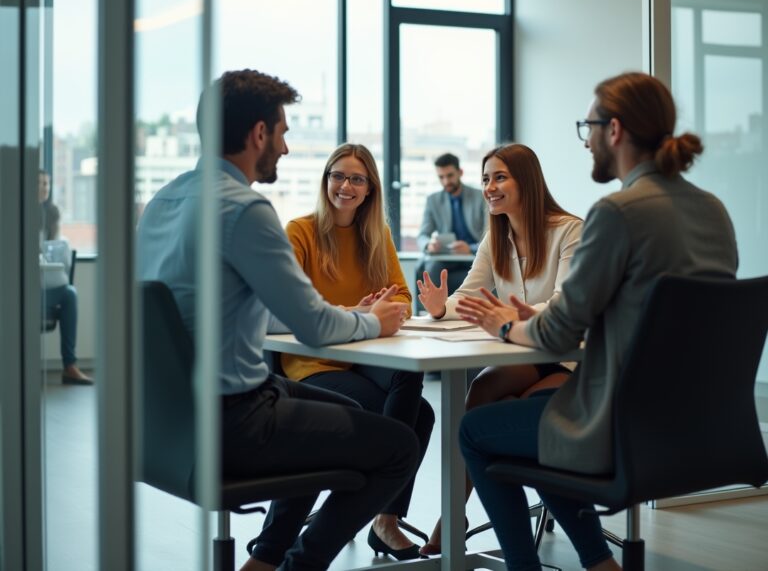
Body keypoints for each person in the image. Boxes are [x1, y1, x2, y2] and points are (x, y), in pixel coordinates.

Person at [136, 70, 420, 571]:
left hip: (170, 418)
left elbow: (266, 316)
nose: (287, 149)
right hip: (235, 418)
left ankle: (264, 561)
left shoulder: (163, 202)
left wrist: (348, 315)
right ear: (258, 135)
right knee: (398, 444)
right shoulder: (244, 209)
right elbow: (314, 328)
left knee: (336, 417)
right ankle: (297, 567)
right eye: (284, 132)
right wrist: (373, 321)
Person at [455, 72, 738, 571]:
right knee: (532, 421)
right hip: (694, 425)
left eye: (587, 126)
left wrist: (504, 324)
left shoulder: (617, 213)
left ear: (615, 130)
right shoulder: (713, 210)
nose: (585, 140)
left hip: (619, 423)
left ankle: (526, 566)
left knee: (477, 430)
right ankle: (597, 562)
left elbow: (559, 331)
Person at [415, 143, 582, 555]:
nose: (489, 187)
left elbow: (565, 305)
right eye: (486, 178)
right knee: (482, 395)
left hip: (567, 357)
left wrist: (510, 318)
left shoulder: (569, 230)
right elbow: (469, 296)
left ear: (526, 180)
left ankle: (468, 521)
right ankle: (456, 512)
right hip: (521, 355)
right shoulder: (496, 237)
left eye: (499, 177)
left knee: (510, 413)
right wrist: (441, 307)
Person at [282, 143, 435, 561]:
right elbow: (292, 306)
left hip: (364, 356)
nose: (345, 185)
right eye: (337, 175)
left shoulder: (376, 235)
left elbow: (402, 295)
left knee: (412, 376)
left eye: (356, 179)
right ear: (326, 180)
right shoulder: (300, 231)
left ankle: (379, 517)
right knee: (418, 416)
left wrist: (388, 307)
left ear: (369, 189)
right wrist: (359, 312)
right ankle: (373, 514)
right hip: (313, 362)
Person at [39, 169, 93, 385]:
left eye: (46, 183)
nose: (43, 187)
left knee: (70, 293)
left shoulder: (52, 214)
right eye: (39, 182)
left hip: (48, 284)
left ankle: (69, 366)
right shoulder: (17, 211)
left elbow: (57, 248)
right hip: (26, 289)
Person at [416, 153, 487, 295]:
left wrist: (470, 248)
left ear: (460, 172)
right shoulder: (433, 200)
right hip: (446, 257)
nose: (446, 181)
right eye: (441, 177)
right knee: (430, 268)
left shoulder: (480, 197)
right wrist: (429, 245)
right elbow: (423, 235)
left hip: (475, 255)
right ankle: (436, 312)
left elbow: (490, 234)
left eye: (450, 175)